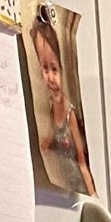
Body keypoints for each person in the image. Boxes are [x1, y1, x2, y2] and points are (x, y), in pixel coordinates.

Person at [30, 11, 94, 194]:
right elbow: (53, 134)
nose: (50, 77)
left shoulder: (69, 113)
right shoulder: (51, 106)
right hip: (63, 189)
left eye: (54, 69)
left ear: (62, 70)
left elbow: (81, 160)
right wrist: (44, 144)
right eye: (45, 68)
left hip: (78, 188)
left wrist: (93, 195)